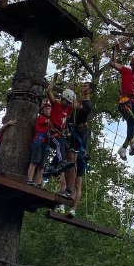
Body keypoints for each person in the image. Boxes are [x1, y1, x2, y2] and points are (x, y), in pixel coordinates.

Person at [109, 52, 134, 161]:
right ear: (133, 65)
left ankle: (123, 148)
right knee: (130, 120)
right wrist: (114, 52)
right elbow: (112, 63)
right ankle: (132, 144)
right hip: (124, 100)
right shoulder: (126, 71)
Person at [65, 82, 92, 219]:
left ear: (89, 90)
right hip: (75, 141)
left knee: (78, 182)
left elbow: (75, 105)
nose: (83, 88)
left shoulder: (87, 105)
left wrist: (75, 93)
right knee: (67, 171)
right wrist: (70, 90)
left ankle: (73, 209)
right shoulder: (80, 102)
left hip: (79, 147)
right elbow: (70, 105)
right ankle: (65, 201)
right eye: (83, 86)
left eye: (85, 86)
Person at [46, 77, 76, 197]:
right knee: (59, 143)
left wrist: (78, 93)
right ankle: (61, 162)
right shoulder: (56, 104)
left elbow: (77, 104)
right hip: (51, 132)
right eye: (65, 102)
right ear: (62, 99)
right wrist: (53, 83)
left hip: (59, 133)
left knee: (66, 146)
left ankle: (52, 167)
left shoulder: (68, 108)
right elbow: (48, 92)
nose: (66, 105)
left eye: (69, 103)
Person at [26, 101, 52, 187]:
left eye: (50, 109)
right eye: (48, 109)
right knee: (35, 161)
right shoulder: (41, 118)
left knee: (42, 165)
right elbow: (49, 122)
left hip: (46, 143)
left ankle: (38, 183)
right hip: (38, 141)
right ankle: (29, 179)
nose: (50, 111)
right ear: (43, 110)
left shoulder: (49, 121)